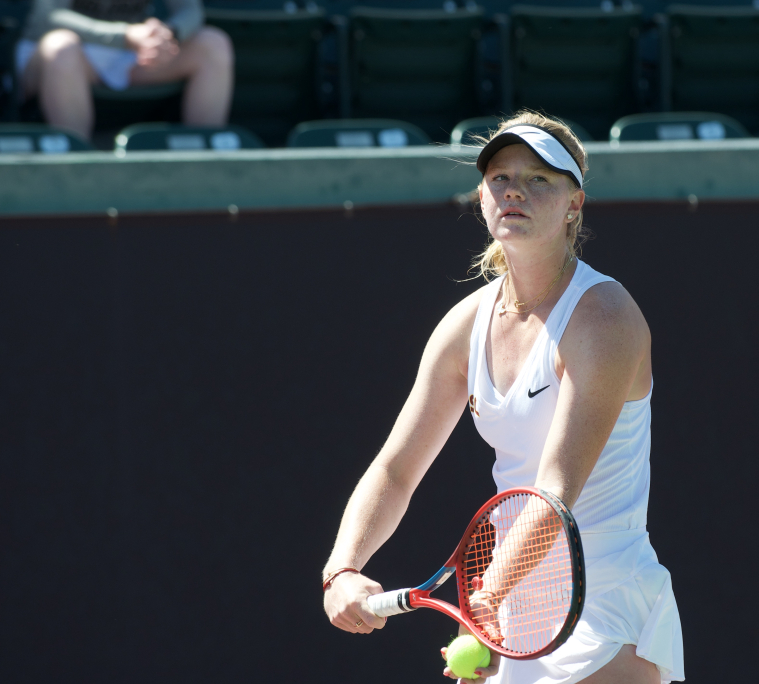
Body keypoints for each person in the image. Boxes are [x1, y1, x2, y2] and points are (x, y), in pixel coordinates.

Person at [321, 111, 685, 684]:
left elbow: (555, 490)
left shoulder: (604, 317)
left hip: (608, 603)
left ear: (575, 204)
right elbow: (395, 470)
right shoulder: (463, 327)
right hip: (513, 599)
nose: (515, 190)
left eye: (539, 178)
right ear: (482, 197)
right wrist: (342, 569)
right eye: (500, 177)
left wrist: (488, 598)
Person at [17, 0, 233, 140]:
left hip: (132, 50)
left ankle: (204, 163)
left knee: (213, 44)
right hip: (60, 51)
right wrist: (124, 36)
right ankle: (74, 171)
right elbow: (48, 17)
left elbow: (190, 10)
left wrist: (169, 35)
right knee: (62, 48)